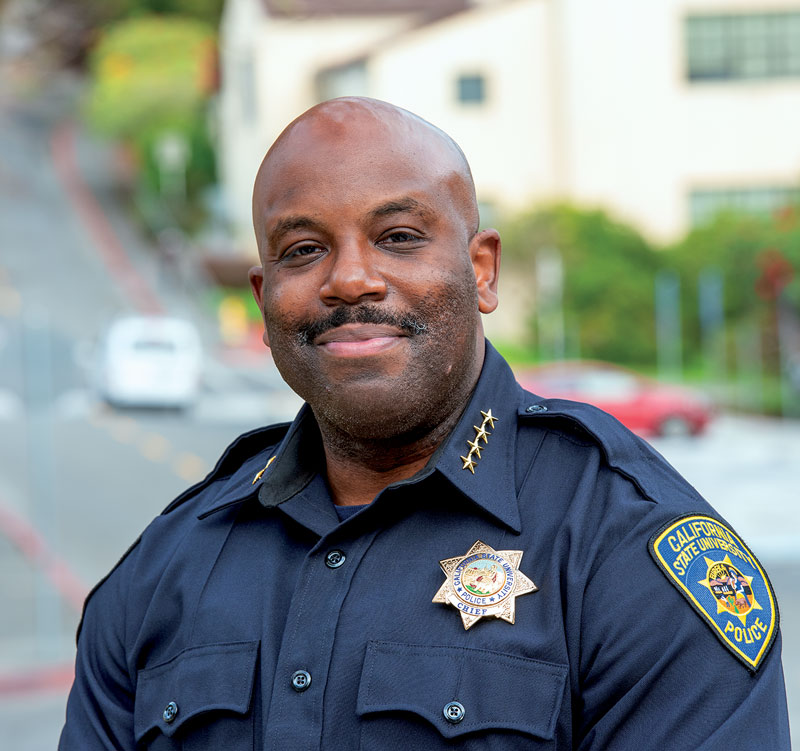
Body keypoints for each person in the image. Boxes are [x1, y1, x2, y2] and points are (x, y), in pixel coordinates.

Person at [60, 98, 791, 749]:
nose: (350, 279)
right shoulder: (164, 567)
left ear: (483, 270)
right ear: (264, 296)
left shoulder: (632, 552)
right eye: (303, 250)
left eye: (400, 236)